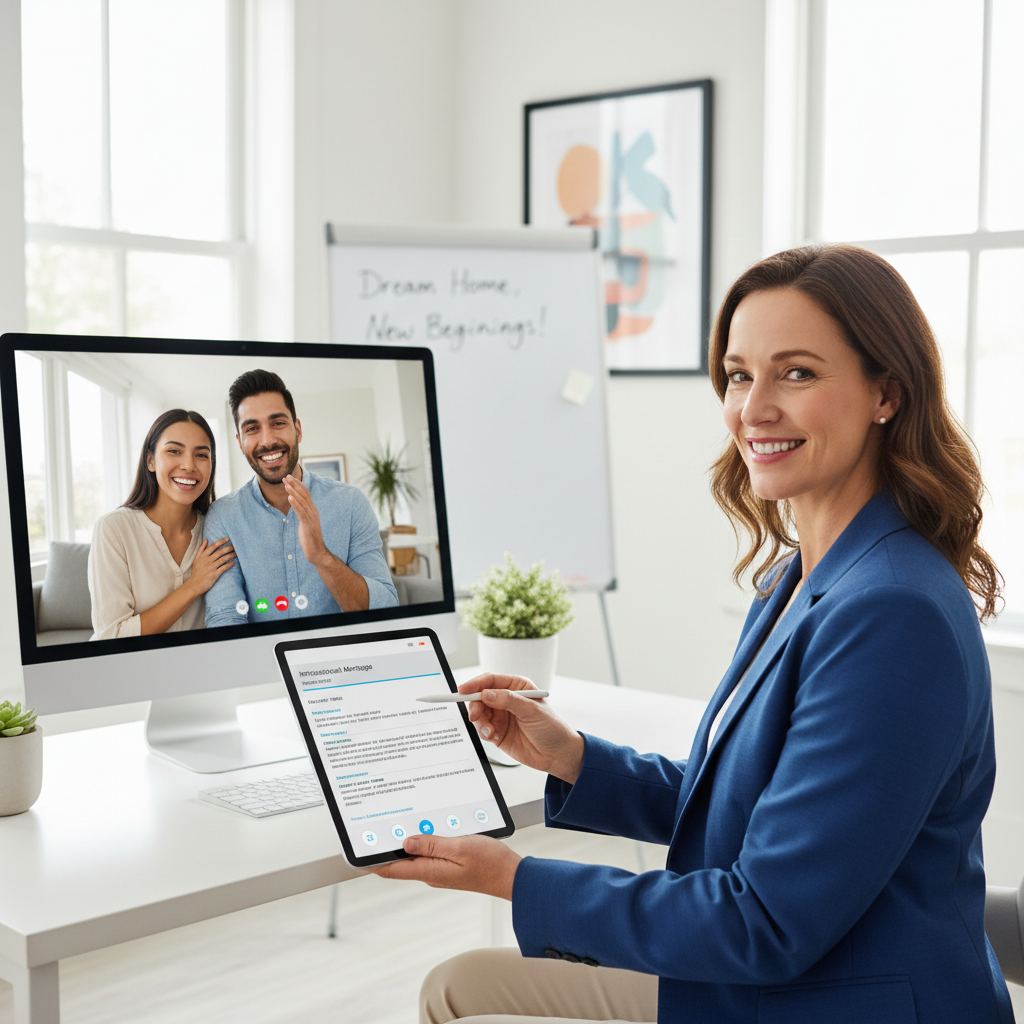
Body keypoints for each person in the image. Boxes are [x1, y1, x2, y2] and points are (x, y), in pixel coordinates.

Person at [368, 245, 1014, 1024]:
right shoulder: (801, 578)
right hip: (777, 982)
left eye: (797, 373)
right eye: (740, 375)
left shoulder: (891, 615)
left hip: (827, 1000)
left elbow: (763, 921)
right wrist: (572, 757)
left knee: (465, 1000)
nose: (753, 408)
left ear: (887, 393)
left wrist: (513, 877)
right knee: (458, 984)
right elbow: (750, 810)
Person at [203, 369, 397, 627]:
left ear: (298, 430)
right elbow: (224, 617)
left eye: (278, 423)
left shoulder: (350, 504)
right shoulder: (224, 517)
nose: (268, 440)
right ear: (240, 443)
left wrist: (321, 556)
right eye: (252, 428)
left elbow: (384, 609)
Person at [88, 410, 236, 639]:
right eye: (174, 451)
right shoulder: (113, 529)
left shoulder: (218, 530)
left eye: (202, 455)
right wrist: (194, 585)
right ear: (150, 460)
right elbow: (111, 636)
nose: (188, 465)